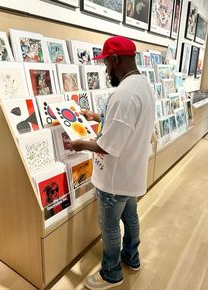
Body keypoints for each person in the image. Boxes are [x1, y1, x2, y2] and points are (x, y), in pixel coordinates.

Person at [67, 35, 155, 290]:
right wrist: (95, 116)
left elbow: (107, 146)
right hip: (132, 175)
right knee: (131, 218)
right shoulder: (142, 86)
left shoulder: (124, 94)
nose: (106, 69)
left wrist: (79, 143)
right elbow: (124, 123)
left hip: (114, 180)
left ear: (115, 60)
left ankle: (111, 273)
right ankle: (132, 258)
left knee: (109, 227)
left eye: (106, 63)